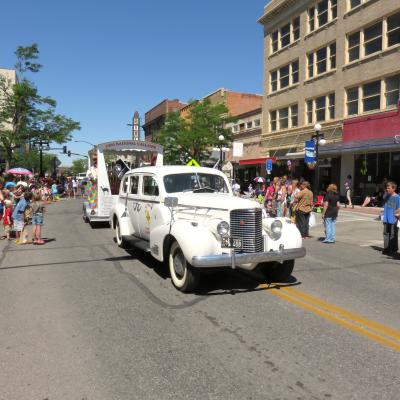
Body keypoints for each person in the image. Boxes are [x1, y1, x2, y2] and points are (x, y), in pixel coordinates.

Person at [382, 181, 400, 256]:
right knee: (386, 233)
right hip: (386, 218)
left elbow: (399, 208)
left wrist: (397, 216)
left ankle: (393, 249)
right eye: (387, 188)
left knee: (393, 234)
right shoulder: (386, 196)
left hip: (394, 218)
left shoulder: (397, 197)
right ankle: (386, 248)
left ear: (394, 188)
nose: (387, 189)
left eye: (389, 188)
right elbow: (384, 204)